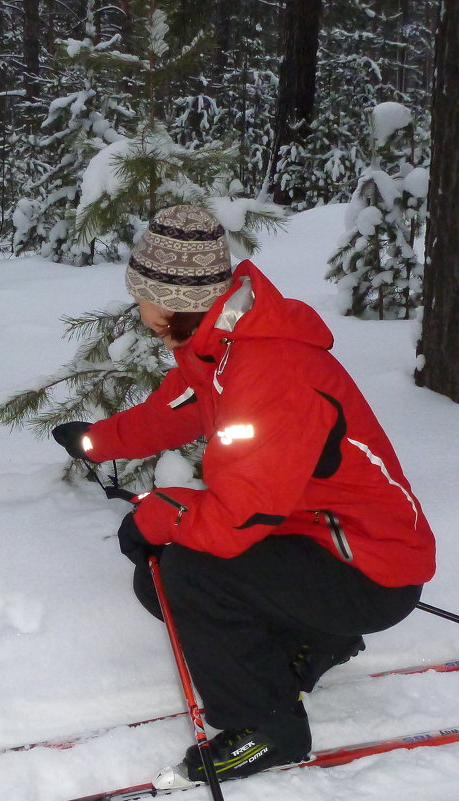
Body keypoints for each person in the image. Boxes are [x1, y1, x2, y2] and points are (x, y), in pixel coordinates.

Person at [51, 205, 435, 783]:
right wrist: (95, 441)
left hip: (369, 567)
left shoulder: (269, 371)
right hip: (320, 539)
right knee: (160, 573)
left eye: (144, 297)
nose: (140, 309)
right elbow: (172, 413)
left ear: (179, 298)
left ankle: (266, 728)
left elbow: (234, 520)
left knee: (188, 571)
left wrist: (159, 515)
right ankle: (314, 642)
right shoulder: (222, 344)